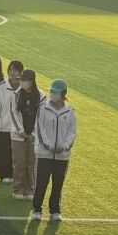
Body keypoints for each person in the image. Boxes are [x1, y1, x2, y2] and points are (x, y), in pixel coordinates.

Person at [32, 78, 77, 222]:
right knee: (41, 183)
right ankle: (37, 209)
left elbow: (72, 132)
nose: (52, 95)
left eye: (56, 93)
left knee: (58, 184)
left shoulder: (70, 112)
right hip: (44, 154)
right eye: (51, 92)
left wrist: (64, 146)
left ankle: (55, 210)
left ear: (63, 94)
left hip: (62, 156)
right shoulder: (42, 109)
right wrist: (50, 146)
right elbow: (40, 130)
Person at [9, 68, 40, 201]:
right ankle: (18, 189)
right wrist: (21, 131)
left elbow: (41, 117)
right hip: (18, 136)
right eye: (20, 80)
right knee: (19, 163)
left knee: (31, 163)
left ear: (31, 82)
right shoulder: (15, 95)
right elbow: (13, 114)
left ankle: (31, 189)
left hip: (34, 137)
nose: (21, 82)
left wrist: (34, 133)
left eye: (24, 80)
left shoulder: (41, 97)